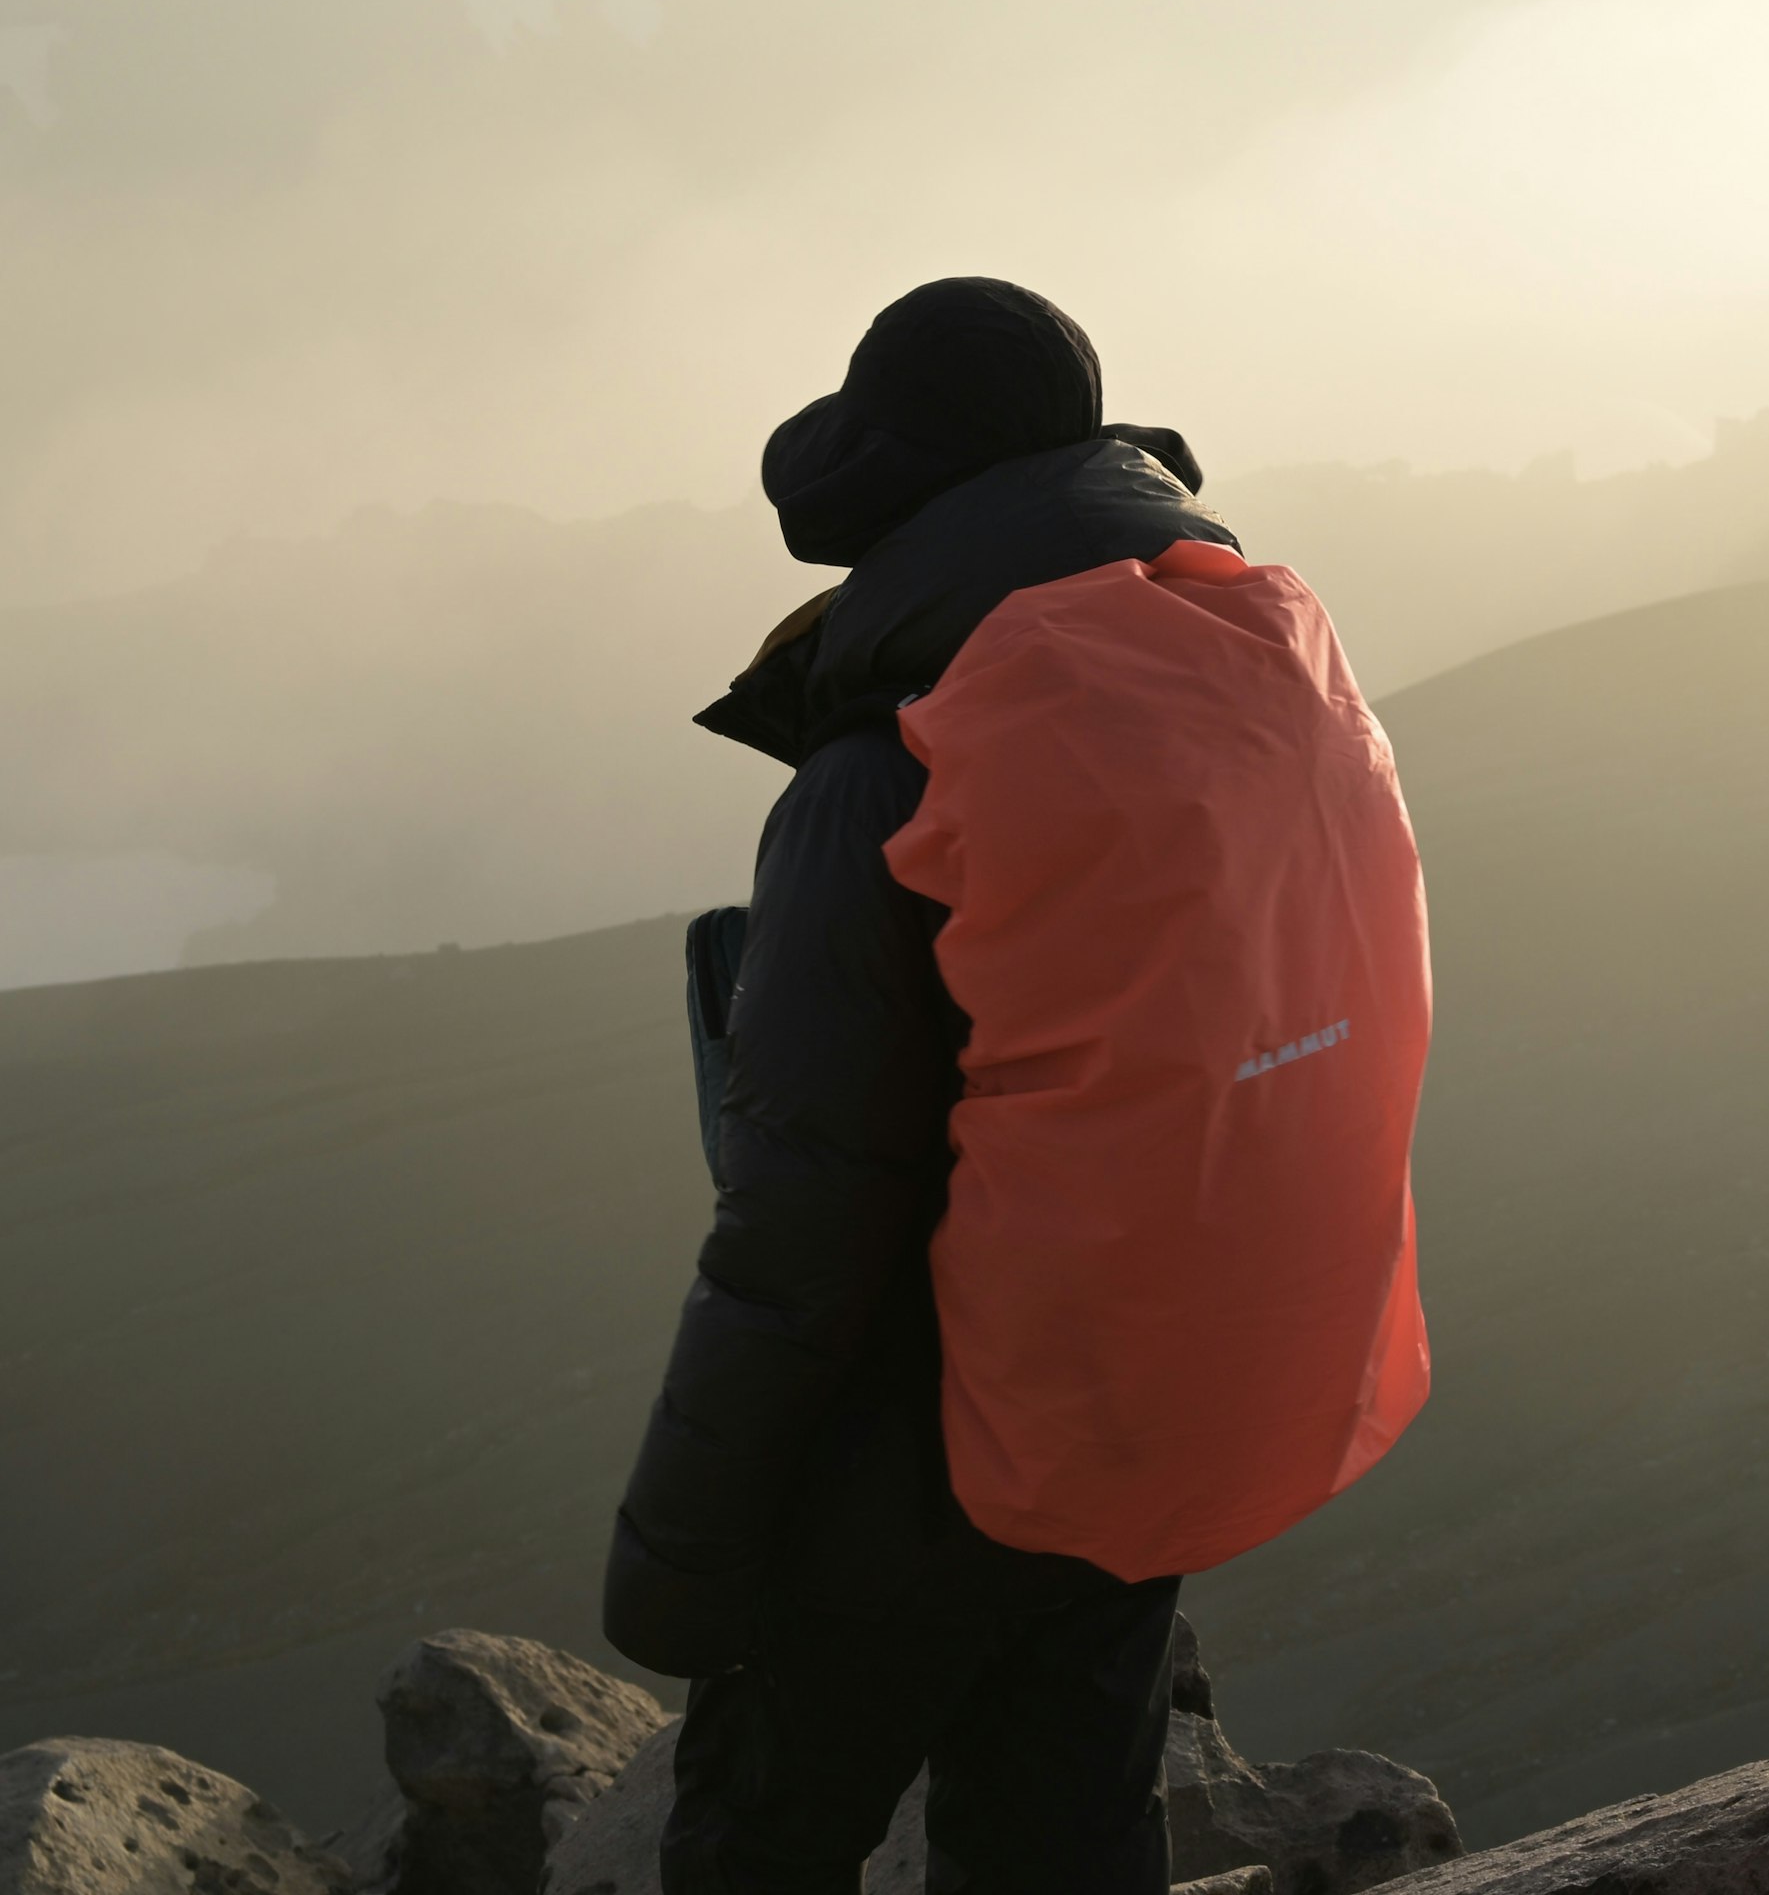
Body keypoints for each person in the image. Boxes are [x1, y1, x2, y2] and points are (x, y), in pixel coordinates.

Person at [606, 279, 1431, 1895]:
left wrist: (683, 1567)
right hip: (1162, 1390)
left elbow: (802, 1215)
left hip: (946, 1424)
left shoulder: (885, 769)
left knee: (762, 1835)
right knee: (1064, 1829)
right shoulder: (1254, 668)